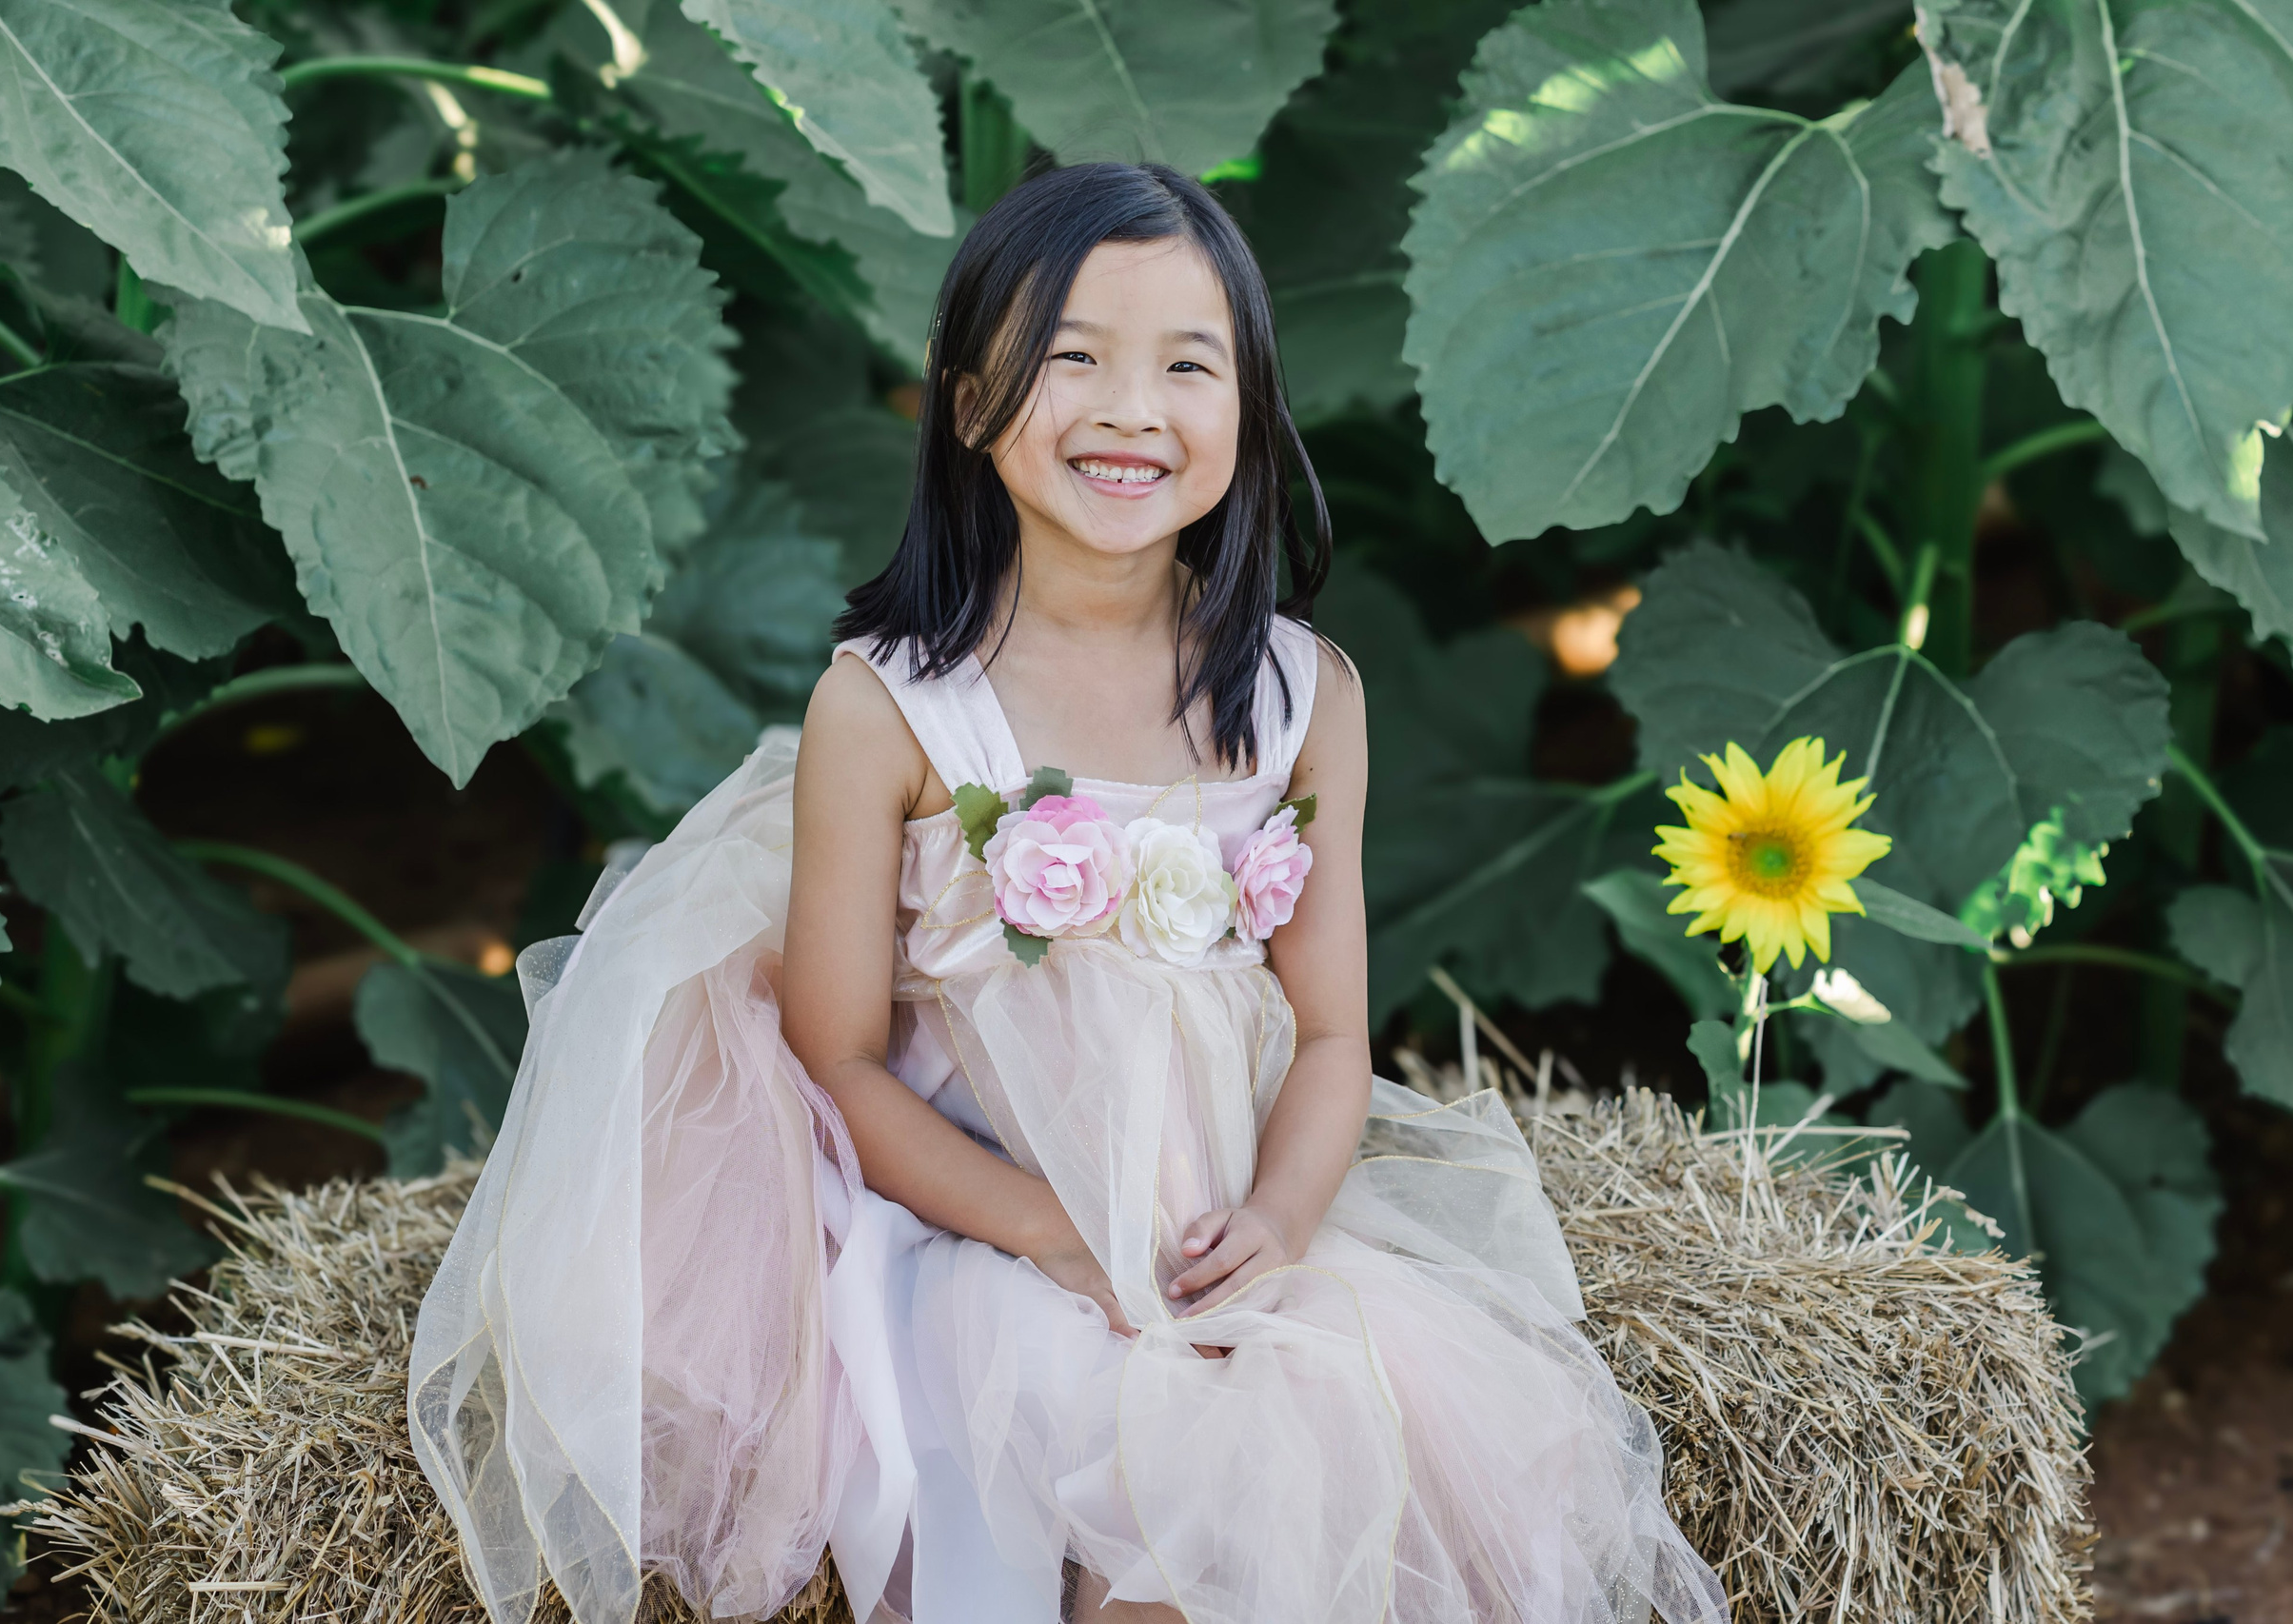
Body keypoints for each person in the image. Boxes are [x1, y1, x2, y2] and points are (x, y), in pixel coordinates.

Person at [409, 163, 1727, 1624]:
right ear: (971, 402)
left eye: (1188, 363)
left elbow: (1336, 1033)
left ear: (1253, 407)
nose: (1130, 407)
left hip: (1215, 1225)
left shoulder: (1305, 699)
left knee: (1320, 1455)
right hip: (975, 1235)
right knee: (1121, 1493)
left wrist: (1281, 1223)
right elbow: (836, 1056)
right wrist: (1050, 1230)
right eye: (1074, 357)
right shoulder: (896, 714)